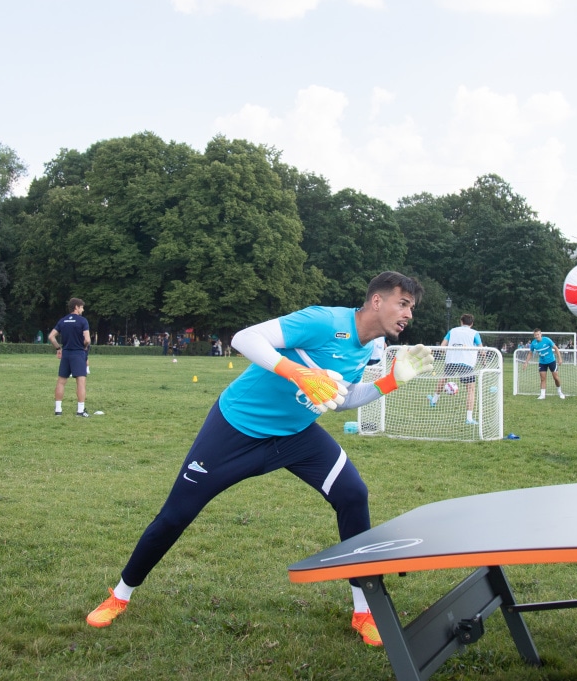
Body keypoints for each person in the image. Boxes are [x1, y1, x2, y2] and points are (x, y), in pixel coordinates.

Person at [85, 272, 435, 648]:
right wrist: (298, 372)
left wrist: (392, 381)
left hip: (296, 436)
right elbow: (244, 338)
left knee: (353, 494)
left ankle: (364, 609)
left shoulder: (370, 347)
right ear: (377, 301)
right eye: (403, 304)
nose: (408, 314)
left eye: (411, 308)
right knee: (175, 516)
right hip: (235, 430)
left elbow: (342, 398)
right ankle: (120, 594)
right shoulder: (325, 321)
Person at [428, 314, 482, 424]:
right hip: (466, 363)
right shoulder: (475, 333)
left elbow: (442, 347)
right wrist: (483, 360)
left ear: (461, 321)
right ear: (471, 323)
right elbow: (482, 350)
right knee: (470, 390)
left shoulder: (452, 331)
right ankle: (469, 418)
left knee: (443, 378)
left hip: (451, 361)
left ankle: (434, 400)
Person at [48, 297, 91, 417]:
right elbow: (87, 339)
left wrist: (58, 349)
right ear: (76, 307)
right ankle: (80, 411)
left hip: (66, 354)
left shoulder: (63, 321)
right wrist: (84, 346)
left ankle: (58, 410)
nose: (82, 310)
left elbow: (51, 337)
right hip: (78, 353)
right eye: (81, 307)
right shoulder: (83, 321)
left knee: (61, 382)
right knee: (81, 382)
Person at [523, 328, 566, 399]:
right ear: (534, 336)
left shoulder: (547, 340)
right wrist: (526, 362)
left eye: (538, 334)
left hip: (551, 361)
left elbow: (556, 348)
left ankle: (560, 392)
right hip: (542, 362)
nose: (537, 336)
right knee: (543, 378)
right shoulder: (533, 343)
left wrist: (560, 358)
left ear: (541, 334)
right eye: (535, 335)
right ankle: (542, 395)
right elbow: (530, 353)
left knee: (556, 378)